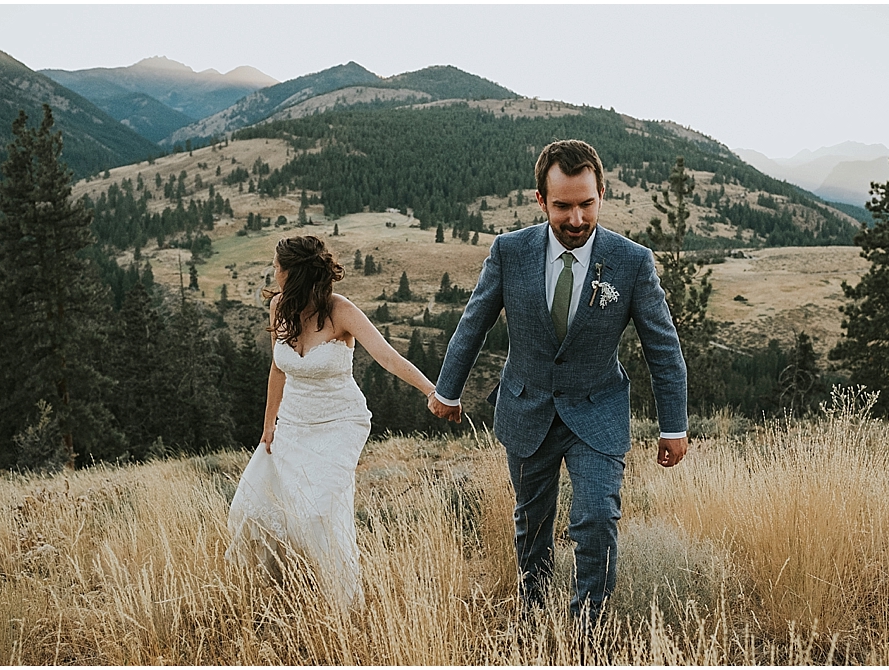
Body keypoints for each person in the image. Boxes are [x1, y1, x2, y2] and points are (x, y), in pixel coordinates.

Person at [429, 140, 689, 622]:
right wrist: (447, 390)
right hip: (527, 408)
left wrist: (673, 426)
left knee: (596, 521)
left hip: (598, 411)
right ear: (541, 200)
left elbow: (663, 348)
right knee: (532, 524)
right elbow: (474, 321)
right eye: (563, 206)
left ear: (602, 195)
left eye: (586, 204)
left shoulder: (632, 262)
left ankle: (588, 632)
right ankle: (534, 613)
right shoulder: (509, 252)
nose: (576, 219)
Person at [226, 235, 436, 608]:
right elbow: (277, 369)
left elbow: (387, 358)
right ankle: (279, 589)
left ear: (295, 273)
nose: (273, 273)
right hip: (291, 422)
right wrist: (268, 426)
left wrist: (432, 391)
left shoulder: (341, 311)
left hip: (339, 422)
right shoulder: (279, 308)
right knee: (252, 505)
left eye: (278, 268)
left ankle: (342, 602)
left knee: (319, 513)